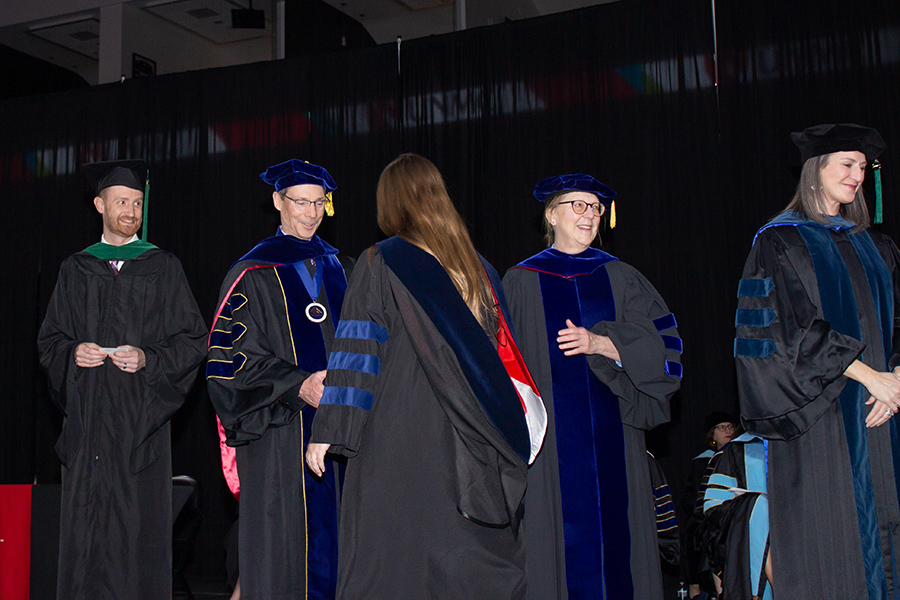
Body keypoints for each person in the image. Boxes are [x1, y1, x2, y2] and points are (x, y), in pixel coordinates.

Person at [306, 153, 546, 600]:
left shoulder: (383, 261)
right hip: (471, 441)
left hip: (399, 439)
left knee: (394, 562)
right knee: (464, 559)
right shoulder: (480, 269)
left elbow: (360, 349)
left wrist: (330, 429)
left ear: (391, 203)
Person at [734, 123, 900, 599]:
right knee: (834, 540)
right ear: (816, 170)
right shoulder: (779, 242)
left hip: (884, 415)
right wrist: (871, 377)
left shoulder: (878, 247)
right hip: (822, 415)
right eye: (847, 165)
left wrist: (896, 380)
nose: (857, 176)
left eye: (863, 168)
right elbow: (782, 330)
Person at [502, 173, 683, 599]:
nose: (589, 216)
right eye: (578, 206)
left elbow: (665, 346)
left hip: (615, 437)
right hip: (549, 449)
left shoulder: (620, 276)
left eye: (595, 208)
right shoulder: (520, 281)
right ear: (552, 214)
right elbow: (502, 363)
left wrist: (604, 343)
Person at [37, 159, 208, 600]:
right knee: (85, 539)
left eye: (136, 202)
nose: (130, 210)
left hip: (139, 428)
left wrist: (149, 358)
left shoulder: (162, 267)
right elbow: (50, 340)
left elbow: (193, 340)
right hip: (88, 427)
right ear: (100, 205)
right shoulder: (76, 269)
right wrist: (74, 353)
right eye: (121, 202)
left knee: (136, 537)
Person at [207, 159, 352, 600]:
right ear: (277, 201)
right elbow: (228, 360)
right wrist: (297, 385)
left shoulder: (342, 268)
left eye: (318, 203)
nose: (310, 213)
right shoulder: (252, 272)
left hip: (340, 437)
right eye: (300, 202)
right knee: (279, 554)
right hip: (277, 435)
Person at [681, 411, 741, 599]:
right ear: (711, 435)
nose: (727, 430)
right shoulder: (703, 462)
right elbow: (692, 499)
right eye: (721, 427)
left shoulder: (741, 455)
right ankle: (697, 587)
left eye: (730, 426)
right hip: (709, 521)